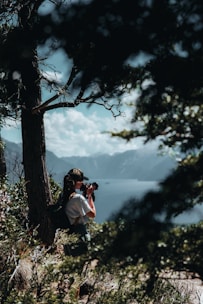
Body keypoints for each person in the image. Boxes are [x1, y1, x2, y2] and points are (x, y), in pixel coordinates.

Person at [62, 168, 96, 255]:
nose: (83, 183)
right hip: (80, 233)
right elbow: (92, 214)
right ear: (77, 182)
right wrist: (89, 196)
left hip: (68, 235)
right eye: (81, 180)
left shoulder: (64, 196)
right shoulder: (78, 198)